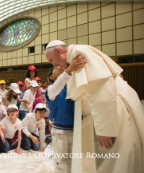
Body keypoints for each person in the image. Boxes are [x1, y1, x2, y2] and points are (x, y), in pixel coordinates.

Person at [45, 40, 144, 173]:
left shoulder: (79, 55)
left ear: (58, 51)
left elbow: (102, 89)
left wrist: (105, 129)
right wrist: (69, 70)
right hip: (63, 131)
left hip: (111, 112)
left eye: (52, 60)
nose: (54, 64)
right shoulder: (69, 66)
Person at [45, 57, 84, 172]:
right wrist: (69, 69)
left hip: (75, 131)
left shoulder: (72, 88)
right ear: (51, 77)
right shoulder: (51, 90)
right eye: (56, 68)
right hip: (60, 132)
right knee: (61, 164)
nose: (61, 67)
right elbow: (60, 83)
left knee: (74, 163)